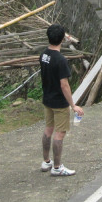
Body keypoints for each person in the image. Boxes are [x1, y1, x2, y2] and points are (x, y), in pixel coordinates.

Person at [40, 24, 83, 177]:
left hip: (47, 98)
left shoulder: (44, 55)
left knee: (48, 129)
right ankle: (57, 167)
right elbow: (64, 84)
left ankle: (46, 161)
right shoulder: (60, 60)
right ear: (62, 38)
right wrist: (73, 105)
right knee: (60, 133)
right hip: (59, 102)